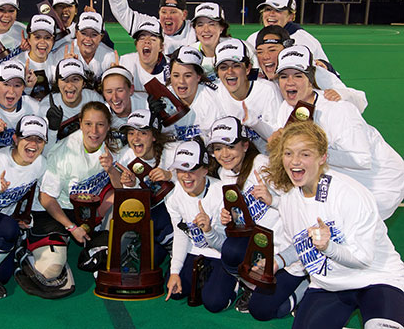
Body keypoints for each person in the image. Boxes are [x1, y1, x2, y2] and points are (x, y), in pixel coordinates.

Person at [262, 120, 404, 328]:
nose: (295, 161)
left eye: (305, 154)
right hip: (328, 286)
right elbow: (303, 245)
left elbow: (363, 259)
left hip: (377, 279)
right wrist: (278, 261)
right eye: (289, 153)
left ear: (323, 158)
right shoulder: (289, 202)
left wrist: (328, 247)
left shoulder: (350, 194)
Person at [271, 46, 404, 220]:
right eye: (283, 76)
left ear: (310, 80)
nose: (290, 82)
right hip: (343, 181)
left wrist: (310, 152)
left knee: (352, 238)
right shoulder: (286, 109)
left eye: (298, 75)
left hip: (380, 184)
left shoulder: (337, 109)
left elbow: (361, 159)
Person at [207, 116, 308, 318]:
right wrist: (224, 221)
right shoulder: (222, 175)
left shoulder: (262, 165)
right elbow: (227, 230)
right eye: (218, 148)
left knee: (263, 311)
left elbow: (300, 209)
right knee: (213, 301)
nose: (224, 154)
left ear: (245, 145)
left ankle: (305, 285)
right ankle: (248, 284)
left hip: (284, 247)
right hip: (255, 248)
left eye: (231, 146)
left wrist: (274, 200)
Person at [17, 102, 120, 298]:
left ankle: (99, 248)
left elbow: (121, 190)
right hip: (56, 210)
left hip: (87, 209)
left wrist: (112, 170)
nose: (94, 131)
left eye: (100, 124)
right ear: (80, 123)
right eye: (88, 124)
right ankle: (23, 253)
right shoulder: (63, 153)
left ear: (108, 126)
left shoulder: (111, 147)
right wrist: (71, 227)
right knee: (51, 270)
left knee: (123, 205)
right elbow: (46, 198)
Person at [0, 114, 48, 298]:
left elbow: (34, 196)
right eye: (27, 138)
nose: (33, 144)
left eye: (39, 139)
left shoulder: (40, 164)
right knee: (8, 228)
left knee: (4, 275)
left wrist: (24, 217)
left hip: (1, 222)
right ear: (15, 138)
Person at [164, 138, 238, 313]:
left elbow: (227, 246)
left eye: (192, 169)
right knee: (175, 290)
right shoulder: (174, 197)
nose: (186, 176)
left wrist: (209, 231)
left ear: (205, 169)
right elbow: (180, 234)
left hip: (221, 253)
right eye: (181, 169)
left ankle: (235, 281)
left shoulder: (222, 192)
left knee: (213, 303)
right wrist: (175, 271)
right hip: (195, 250)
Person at [115, 109, 178, 268]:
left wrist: (171, 176)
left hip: (179, 212)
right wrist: (129, 186)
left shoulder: (174, 151)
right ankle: (163, 243)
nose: (135, 138)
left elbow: (198, 179)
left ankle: (176, 248)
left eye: (142, 132)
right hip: (153, 216)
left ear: (154, 136)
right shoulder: (125, 158)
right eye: (131, 133)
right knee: (147, 263)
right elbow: (132, 205)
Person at [254, 28, 368, 113]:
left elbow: (361, 100)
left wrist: (341, 94)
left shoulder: (311, 73)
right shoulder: (258, 78)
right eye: (260, 52)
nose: (265, 57)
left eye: (272, 50)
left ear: (286, 50)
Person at [214, 38, 282, 153]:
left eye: (236, 65)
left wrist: (256, 123)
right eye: (223, 67)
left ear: (247, 69)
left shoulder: (267, 90)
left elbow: (279, 139)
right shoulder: (215, 93)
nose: (229, 71)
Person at [246, 0, 329, 62]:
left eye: (278, 10)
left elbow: (327, 74)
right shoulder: (252, 39)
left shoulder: (306, 41)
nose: (271, 14)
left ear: (291, 17)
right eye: (268, 9)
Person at [40, 58, 105, 148]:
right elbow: (45, 152)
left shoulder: (94, 99)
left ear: (83, 83)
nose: (70, 85)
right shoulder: (46, 107)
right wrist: (52, 130)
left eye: (75, 79)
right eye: (64, 79)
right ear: (57, 83)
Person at [161, 46, 222, 142]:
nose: (181, 81)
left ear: (198, 77)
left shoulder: (212, 98)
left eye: (188, 75)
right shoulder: (163, 100)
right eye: (176, 75)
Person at [49, 11, 116, 89]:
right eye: (84, 33)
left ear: (101, 37)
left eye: (94, 35)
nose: (88, 39)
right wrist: (63, 69)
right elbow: (53, 85)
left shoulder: (110, 56)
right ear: (76, 33)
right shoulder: (62, 54)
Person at [119, 18, 170, 91]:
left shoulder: (171, 69)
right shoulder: (125, 62)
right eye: (142, 38)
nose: (147, 41)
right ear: (136, 45)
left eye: (153, 39)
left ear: (161, 47)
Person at [191, 2, 232, 81]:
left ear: (221, 28)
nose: (206, 30)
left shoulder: (237, 49)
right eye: (200, 25)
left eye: (211, 24)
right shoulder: (189, 53)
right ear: (195, 29)